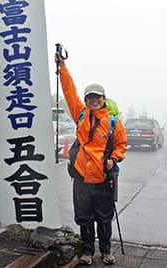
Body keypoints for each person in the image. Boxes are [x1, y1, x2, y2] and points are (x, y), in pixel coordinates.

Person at [55, 52, 127, 265]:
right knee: (84, 219)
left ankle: (105, 252)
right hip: (81, 180)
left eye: (97, 97)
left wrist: (114, 158)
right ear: (86, 100)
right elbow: (69, 91)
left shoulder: (113, 122)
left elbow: (121, 145)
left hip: (104, 179)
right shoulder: (80, 114)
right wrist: (62, 67)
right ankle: (87, 251)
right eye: (90, 97)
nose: (94, 100)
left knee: (104, 219)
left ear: (103, 99)